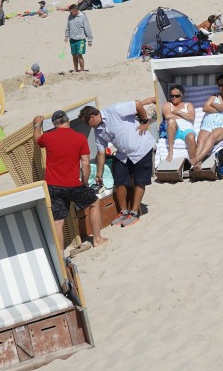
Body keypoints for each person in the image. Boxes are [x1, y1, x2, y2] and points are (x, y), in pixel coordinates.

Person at [35, 110, 107, 254]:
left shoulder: (47, 137)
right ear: (68, 120)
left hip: (53, 186)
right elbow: (85, 163)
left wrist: (37, 124)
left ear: (55, 124)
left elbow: (37, 139)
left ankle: (60, 254)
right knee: (95, 203)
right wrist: (85, 182)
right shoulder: (79, 138)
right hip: (73, 184)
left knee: (58, 221)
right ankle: (97, 240)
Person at [87, 98, 156, 227]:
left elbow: (137, 104)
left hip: (142, 148)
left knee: (140, 181)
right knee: (119, 180)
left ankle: (134, 212)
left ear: (93, 117)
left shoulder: (114, 110)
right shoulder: (97, 130)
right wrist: (99, 175)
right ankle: (124, 212)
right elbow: (101, 153)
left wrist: (144, 121)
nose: (88, 126)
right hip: (123, 154)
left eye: (88, 123)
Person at [190, 76, 223, 166]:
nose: (222, 87)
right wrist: (220, 109)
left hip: (222, 125)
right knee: (201, 140)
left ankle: (198, 159)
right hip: (207, 124)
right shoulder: (214, 96)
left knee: (212, 137)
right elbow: (205, 108)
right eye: (220, 85)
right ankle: (197, 166)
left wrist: (213, 105)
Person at [160, 83, 196, 162]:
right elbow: (167, 116)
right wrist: (184, 116)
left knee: (191, 137)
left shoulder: (188, 104)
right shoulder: (168, 104)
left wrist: (178, 112)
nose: (174, 98)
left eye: (177, 96)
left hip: (186, 130)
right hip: (173, 130)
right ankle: (170, 152)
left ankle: (194, 161)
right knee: (171, 121)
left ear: (182, 95)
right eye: (172, 96)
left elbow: (192, 117)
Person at [64, 3, 93, 73]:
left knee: (80, 55)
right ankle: (75, 69)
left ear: (76, 10)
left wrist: (89, 39)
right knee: (74, 55)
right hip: (72, 39)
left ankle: (82, 70)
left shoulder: (83, 17)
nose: (70, 13)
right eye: (70, 12)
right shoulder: (70, 16)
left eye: (72, 12)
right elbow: (68, 27)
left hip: (81, 40)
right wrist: (66, 36)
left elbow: (87, 28)